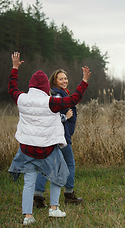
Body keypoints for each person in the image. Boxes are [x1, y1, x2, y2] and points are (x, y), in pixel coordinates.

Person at [8, 52, 91, 226]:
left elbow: (12, 88)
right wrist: (84, 81)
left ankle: (28, 217)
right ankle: (54, 208)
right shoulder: (51, 102)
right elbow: (74, 99)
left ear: (31, 86)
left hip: (27, 149)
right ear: (47, 86)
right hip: (47, 149)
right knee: (58, 175)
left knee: (28, 183)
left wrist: (15, 68)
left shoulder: (22, 99)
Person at [33, 69, 83, 208]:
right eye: (60, 79)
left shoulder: (55, 93)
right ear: (54, 81)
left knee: (47, 165)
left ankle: (38, 195)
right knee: (70, 164)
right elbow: (53, 116)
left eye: (65, 78)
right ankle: (69, 194)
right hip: (60, 136)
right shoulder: (57, 95)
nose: (64, 81)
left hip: (53, 136)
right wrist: (65, 117)